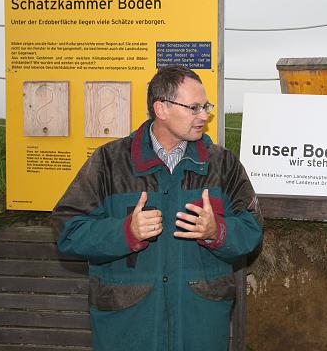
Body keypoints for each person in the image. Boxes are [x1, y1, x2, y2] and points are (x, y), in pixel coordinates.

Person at [52, 65, 263, 351]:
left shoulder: (224, 166)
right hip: (128, 331)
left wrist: (218, 231)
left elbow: (251, 231)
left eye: (206, 106)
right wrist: (124, 232)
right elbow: (68, 230)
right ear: (161, 109)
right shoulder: (108, 163)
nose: (204, 115)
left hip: (199, 329)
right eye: (194, 107)